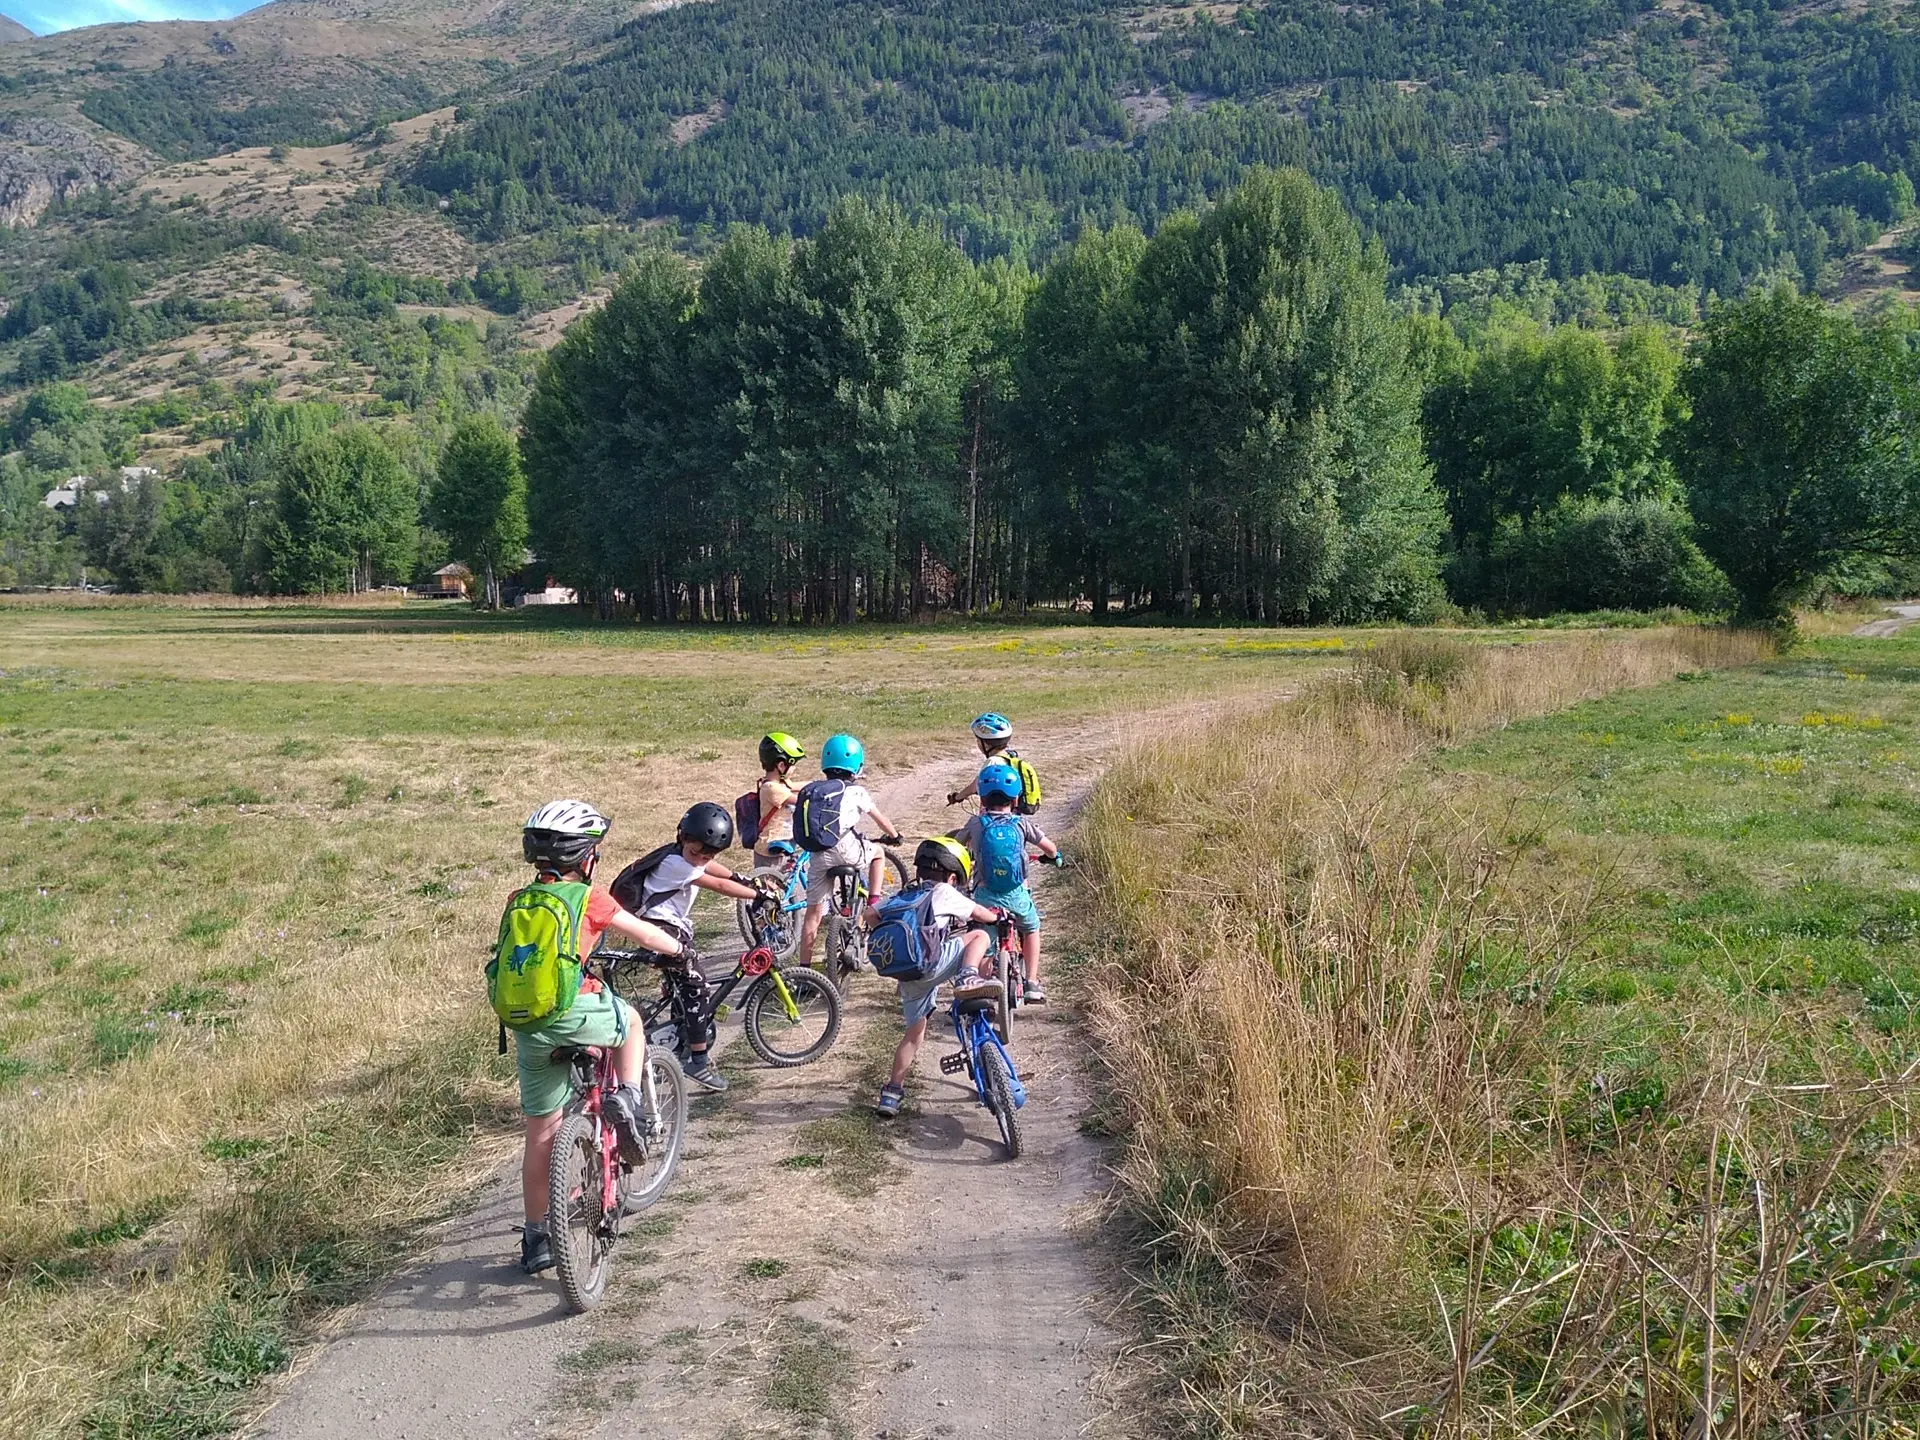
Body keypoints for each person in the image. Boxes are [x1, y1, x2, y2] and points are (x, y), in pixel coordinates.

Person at [499, 800, 689, 1277]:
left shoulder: (518, 901)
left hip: (527, 1023)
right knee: (630, 1023)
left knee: (540, 1134)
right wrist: (678, 949)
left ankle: (536, 1238)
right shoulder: (590, 898)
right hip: (572, 1009)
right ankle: (627, 1099)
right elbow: (645, 934)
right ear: (586, 857)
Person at [617, 801, 772, 1094]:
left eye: (708, 854)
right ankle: (699, 1061)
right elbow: (719, 886)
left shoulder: (683, 855)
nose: (701, 859)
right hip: (659, 929)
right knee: (697, 986)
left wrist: (739, 876)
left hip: (664, 926)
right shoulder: (676, 864)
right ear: (682, 837)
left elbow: (711, 868)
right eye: (696, 852)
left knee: (683, 984)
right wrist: (757, 894)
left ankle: (681, 1032)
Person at [872, 837, 1006, 1118]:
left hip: (910, 975)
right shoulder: (945, 891)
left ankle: (892, 1093)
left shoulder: (902, 896)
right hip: (933, 965)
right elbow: (979, 914)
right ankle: (969, 977)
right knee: (978, 936)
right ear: (953, 876)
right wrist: (997, 918)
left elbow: (870, 913)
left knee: (913, 1035)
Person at [954, 761, 1062, 1005]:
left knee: (984, 939)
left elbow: (959, 847)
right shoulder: (1021, 824)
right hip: (1016, 895)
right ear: (1015, 801)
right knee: (1031, 928)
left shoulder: (975, 824)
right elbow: (1049, 847)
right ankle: (1032, 982)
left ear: (982, 799)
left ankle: (981, 991)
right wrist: (1054, 858)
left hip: (985, 897)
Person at [794, 733, 903, 970]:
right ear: (856, 766)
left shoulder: (814, 789)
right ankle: (873, 903)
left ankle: (805, 970)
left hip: (817, 853)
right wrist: (894, 836)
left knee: (813, 915)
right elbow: (879, 819)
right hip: (846, 850)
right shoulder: (856, 791)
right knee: (877, 854)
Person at [945, 712, 1041, 813]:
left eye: (978, 740)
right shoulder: (1010, 758)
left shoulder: (992, 762)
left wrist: (957, 797)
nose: (977, 743)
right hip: (1013, 815)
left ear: (986, 745)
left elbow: (974, 787)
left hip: (993, 817)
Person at [752, 732, 806, 870]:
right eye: (793, 765)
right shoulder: (771, 788)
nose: (795, 769)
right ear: (781, 765)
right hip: (770, 849)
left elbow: (795, 786)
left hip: (784, 841)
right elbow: (799, 800)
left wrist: (820, 784)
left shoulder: (780, 783)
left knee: (783, 881)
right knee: (769, 888)